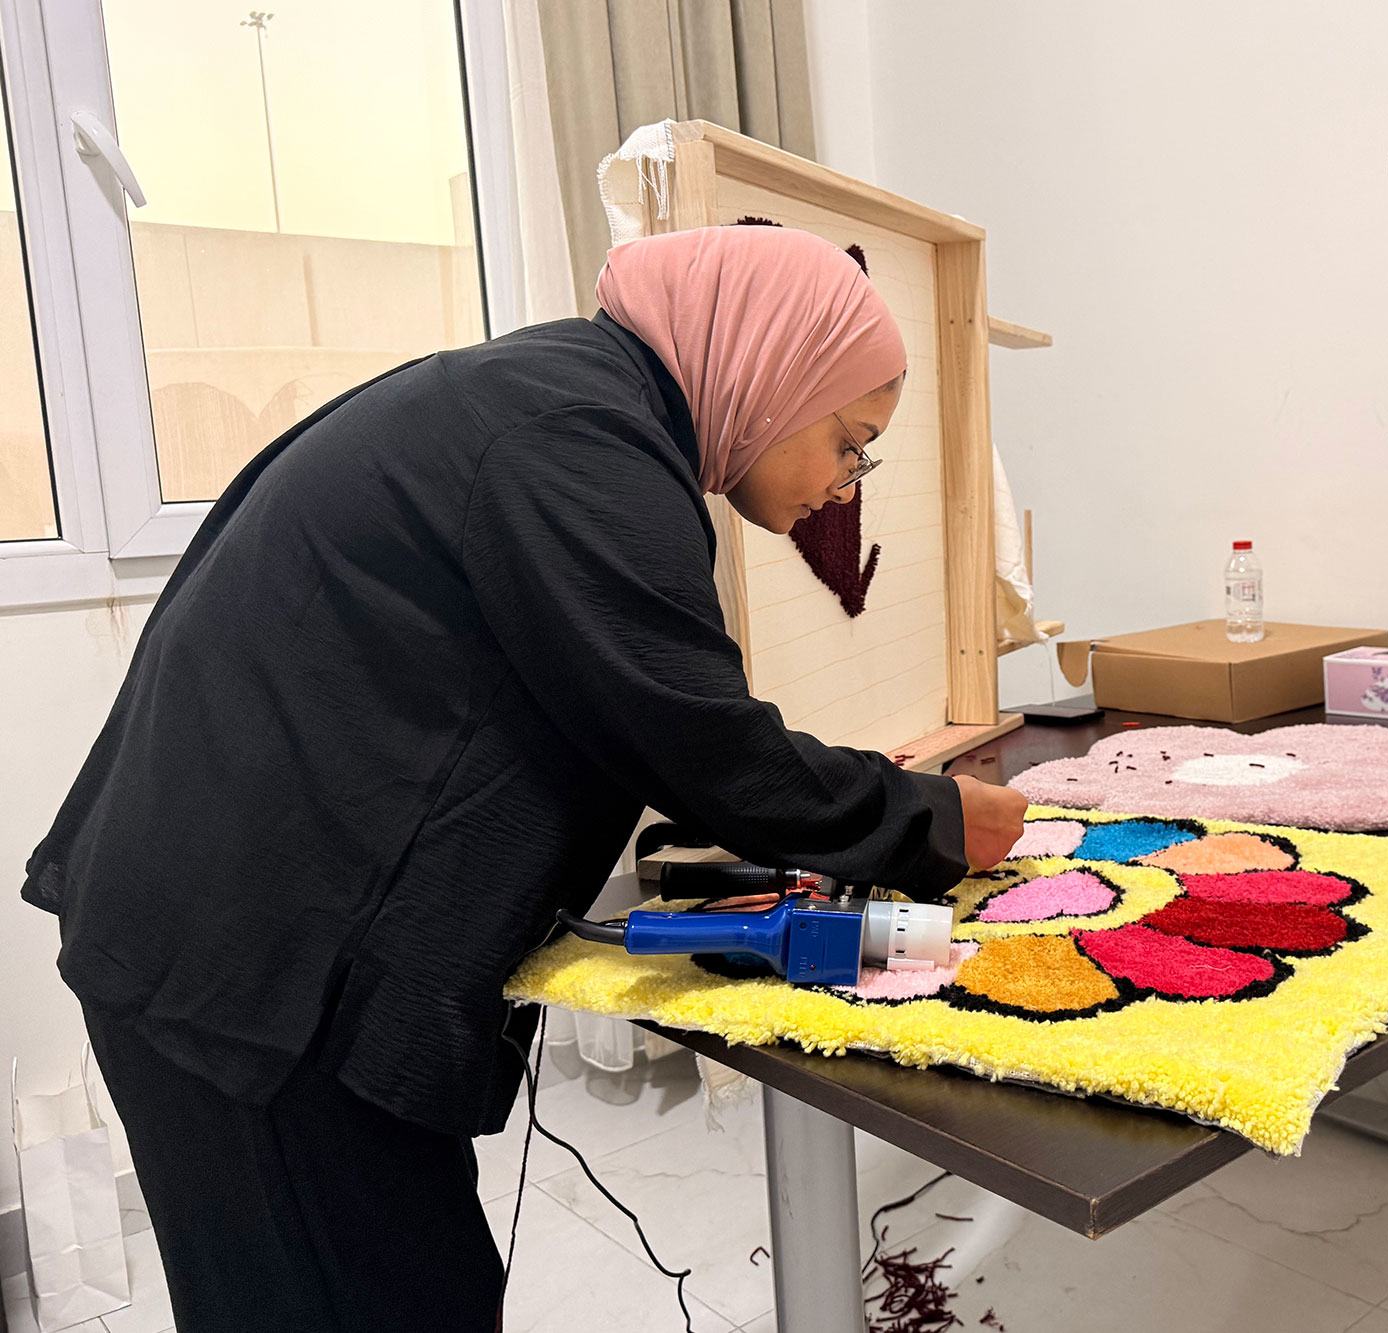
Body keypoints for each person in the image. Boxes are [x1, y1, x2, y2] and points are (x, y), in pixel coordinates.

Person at [20, 224, 1028, 1330]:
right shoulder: (576, 442)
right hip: (250, 984)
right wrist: (934, 818)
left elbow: (603, 709)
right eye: (849, 441)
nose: (845, 488)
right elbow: (700, 743)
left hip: (220, 941)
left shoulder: (553, 400)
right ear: (771, 368)